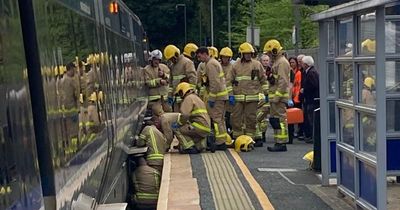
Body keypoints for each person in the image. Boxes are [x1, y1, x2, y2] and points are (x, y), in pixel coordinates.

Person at [226, 42, 268, 147]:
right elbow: (228, 81)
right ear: (241, 54)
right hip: (237, 98)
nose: (248, 55)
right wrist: (230, 95)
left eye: (250, 53)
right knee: (236, 119)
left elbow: (263, 80)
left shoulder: (257, 65)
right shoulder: (235, 65)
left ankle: (250, 140)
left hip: (252, 97)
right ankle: (238, 139)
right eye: (246, 53)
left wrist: (267, 93)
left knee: (251, 119)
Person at [196, 47, 229, 150]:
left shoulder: (211, 64)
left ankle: (220, 142)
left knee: (216, 119)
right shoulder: (211, 63)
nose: (198, 58)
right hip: (220, 95)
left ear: (205, 54)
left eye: (199, 56)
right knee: (220, 119)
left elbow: (214, 82)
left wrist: (212, 98)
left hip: (217, 96)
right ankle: (222, 140)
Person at [263, 39, 291, 152]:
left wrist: (277, 97)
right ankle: (278, 141)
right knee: (275, 120)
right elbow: (276, 80)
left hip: (278, 97)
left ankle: (282, 142)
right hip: (275, 97)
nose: (268, 55)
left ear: (274, 51)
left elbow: (283, 81)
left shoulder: (282, 63)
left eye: (269, 53)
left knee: (280, 120)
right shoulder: (276, 62)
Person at [174, 82, 212, 152]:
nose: (180, 96)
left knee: (177, 129)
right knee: (190, 136)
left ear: (182, 91)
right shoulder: (197, 98)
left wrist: (179, 123)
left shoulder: (188, 98)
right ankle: (200, 145)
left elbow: (185, 115)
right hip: (206, 127)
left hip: (198, 126)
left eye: (179, 93)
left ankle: (189, 148)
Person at [163, 45, 197, 111]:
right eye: (170, 59)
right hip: (177, 97)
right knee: (177, 116)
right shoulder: (172, 66)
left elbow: (193, 78)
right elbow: (171, 83)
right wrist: (170, 95)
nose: (172, 61)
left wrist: (191, 92)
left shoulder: (187, 62)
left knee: (186, 115)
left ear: (176, 54)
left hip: (185, 96)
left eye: (172, 58)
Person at [61, 62, 80, 155]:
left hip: (64, 110)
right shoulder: (71, 80)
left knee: (67, 131)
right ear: (71, 69)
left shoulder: (61, 80)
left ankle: (70, 149)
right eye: (74, 69)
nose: (75, 71)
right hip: (72, 108)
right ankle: (75, 148)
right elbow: (76, 94)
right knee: (74, 130)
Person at [300, 56, 319, 143]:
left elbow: (314, 85)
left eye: (302, 63)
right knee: (309, 118)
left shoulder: (311, 73)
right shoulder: (309, 72)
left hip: (312, 99)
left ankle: (313, 137)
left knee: (312, 119)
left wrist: (305, 89)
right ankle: (311, 136)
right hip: (310, 99)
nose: (301, 65)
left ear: (306, 64)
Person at [288, 57, 304, 143]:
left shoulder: (298, 73)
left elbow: (295, 85)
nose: (291, 64)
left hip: (296, 97)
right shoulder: (291, 72)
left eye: (293, 62)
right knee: (292, 117)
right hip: (293, 97)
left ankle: (299, 133)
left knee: (297, 116)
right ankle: (295, 133)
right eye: (290, 62)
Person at [220, 47, 234, 140]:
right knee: (221, 115)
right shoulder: (218, 66)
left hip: (230, 94)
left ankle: (231, 131)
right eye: (224, 57)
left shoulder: (233, 67)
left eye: (227, 57)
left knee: (230, 115)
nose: (225, 59)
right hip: (219, 95)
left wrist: (231, 95)